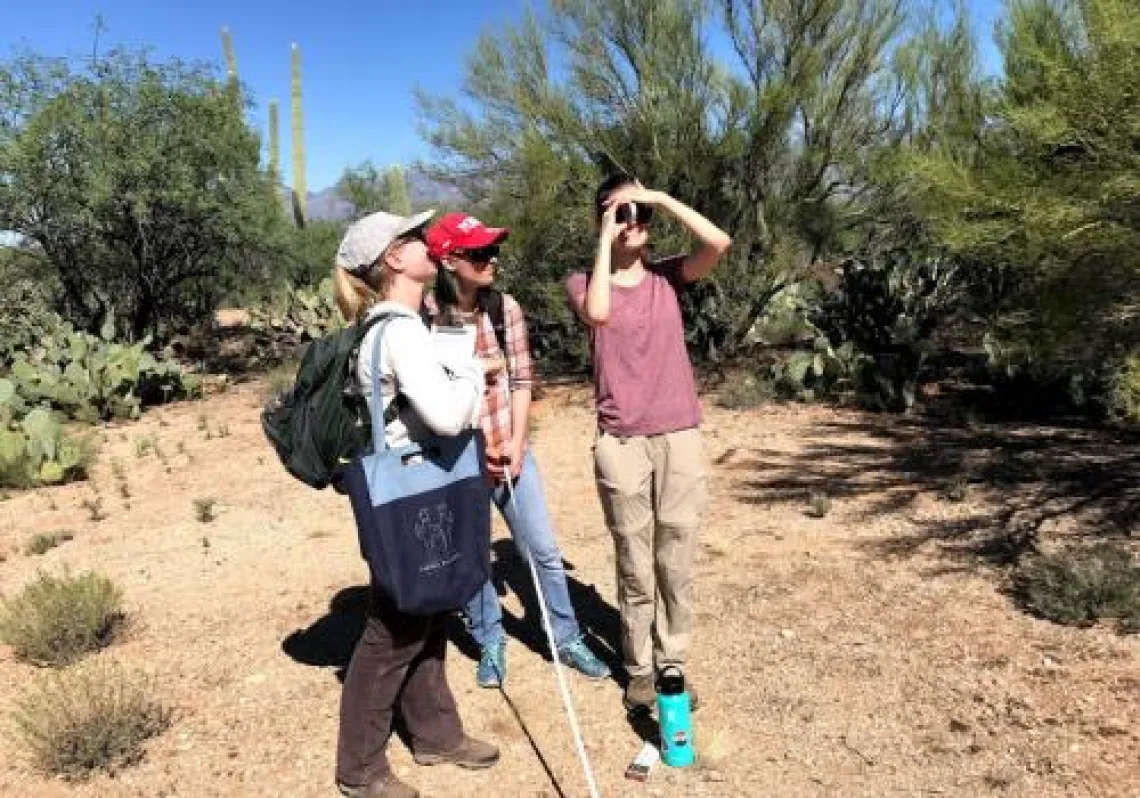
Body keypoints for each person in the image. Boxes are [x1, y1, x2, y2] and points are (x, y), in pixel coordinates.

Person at [331, 209, 499, 798]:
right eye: (414, 238)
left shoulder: (394, 326)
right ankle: (361, 771)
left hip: (410, 490)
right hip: (412, 495)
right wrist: (478, 371)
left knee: (426, 611)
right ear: (394, 259)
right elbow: (450, 416)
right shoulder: (400, 331)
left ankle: (436, 736)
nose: (429, 243)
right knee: (392, 631)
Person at [422, 212, 611, 688]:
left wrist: (517, 440)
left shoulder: (506, 308)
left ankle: (565, 636)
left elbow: (523, 380)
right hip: (456, 461)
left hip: (511, 450)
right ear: (450, 261)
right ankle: (490, 637)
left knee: (542, 549)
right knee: (472, 557)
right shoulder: (424, 316)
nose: (493, 260)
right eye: (481, 252)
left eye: (493, 250)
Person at [565, 174, 731, 713]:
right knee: (634, 561)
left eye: (641, 216)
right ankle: (637, 668)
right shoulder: (583, 282)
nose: (633, 222)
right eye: (621, 214)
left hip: (677, 432)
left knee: (675, 556)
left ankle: (672, 661)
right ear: (602, 221)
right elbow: (598, 313)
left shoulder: (667, 278)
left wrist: (658, 199)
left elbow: (718, 243)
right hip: (622, 439)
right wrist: (607, 232)